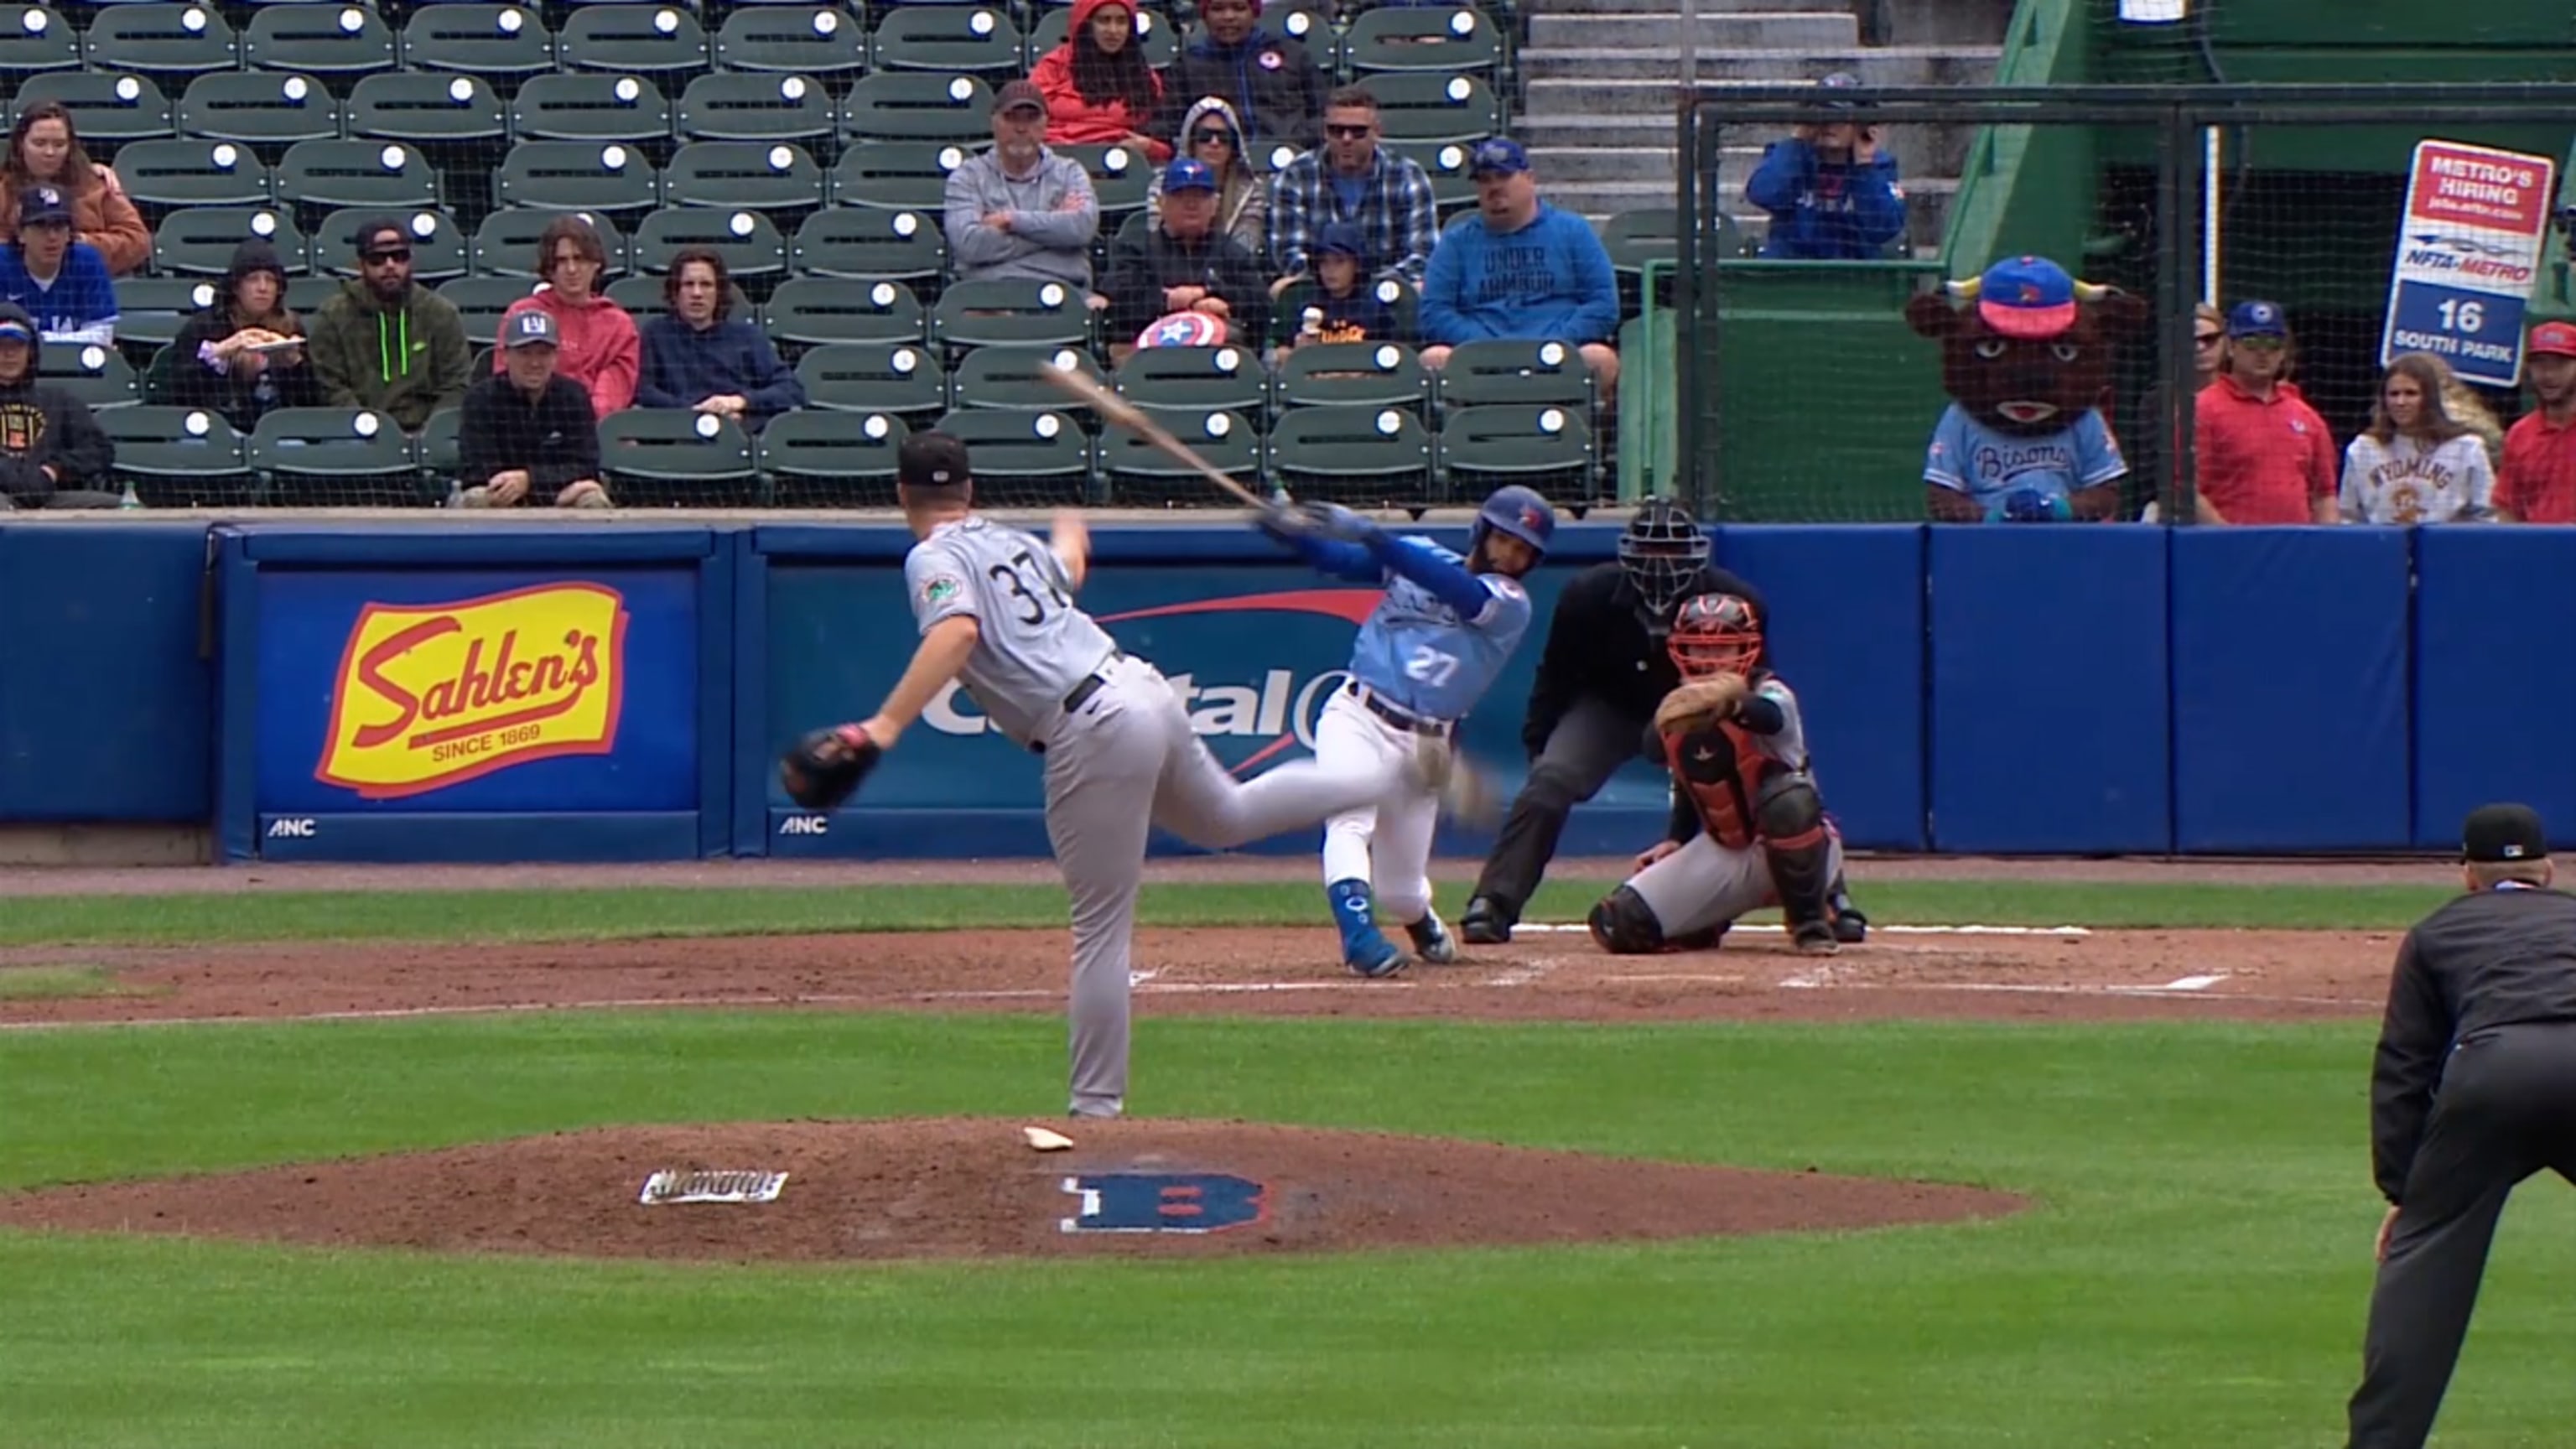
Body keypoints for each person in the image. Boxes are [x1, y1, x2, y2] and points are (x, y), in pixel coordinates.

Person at [790, 431, 1488, 1119]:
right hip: (1138, 687)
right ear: (970, 488)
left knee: (1101, 929)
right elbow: (1066, 569)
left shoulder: (930, 556)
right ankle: (1396, 780)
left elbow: (959, 631)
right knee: (1228, 816)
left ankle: (1094, 1111)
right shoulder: (1008, 539)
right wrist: (1070, 528)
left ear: (899, 494)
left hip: (1088, 726)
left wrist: (882, 727)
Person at [1461, 497, 1867, 947]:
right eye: (1652, 552)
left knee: (1781, 782)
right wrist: (1539, 748)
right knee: (1549, 783)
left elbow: (1758, 695)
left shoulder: (1736, 599)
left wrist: (1714, 713)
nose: (1662, 563)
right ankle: (1494, 903)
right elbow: (1555, 677)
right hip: (1612, 710)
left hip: (1706, 713)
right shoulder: (1589, 596)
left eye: (1673, 553)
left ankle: (1827, 894)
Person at [2340, 802, 2576, 1449]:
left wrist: (2407, 1194)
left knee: (2426, 1271)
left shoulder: (2436, 932)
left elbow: (2403, 1067)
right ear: (2550, 870)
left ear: (2466, 874)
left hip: (2492, 1079)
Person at [1259, 485, 1553, 976]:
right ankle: (1359, 938)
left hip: (1425, 748)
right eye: (1504, 539)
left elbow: (1458, 590)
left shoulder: (1510, 604)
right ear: (1482, 533)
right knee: (1349, 819)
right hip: (1358, 714)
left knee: (1401, 889)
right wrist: (1291, 533)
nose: (1510, 555)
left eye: (1523, 550)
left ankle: (1419, 920)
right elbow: (1337, 561)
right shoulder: (1417, 558)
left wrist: (1375, 535)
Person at [1586, 593, 1850, 958]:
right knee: (1619, 923)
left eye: (1722, 649)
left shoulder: (1772, 693)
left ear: (1746, 650)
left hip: (1801, 846)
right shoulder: (1681, 706)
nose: (1710, 660)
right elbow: (1659, 752)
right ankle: (1707, 921)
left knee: (1789, 799)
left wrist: (1726, 702)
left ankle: (1813, 920)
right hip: (1727, 849)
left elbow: (1768, 717)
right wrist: (1676, 839)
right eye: (1700, 649)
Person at [1415, 138, 1620, 398]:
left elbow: (1603, 304)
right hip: (1481, 359)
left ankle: (1588, 436)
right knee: (1433, 360)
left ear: (1530, 178)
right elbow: (1434, 311)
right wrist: (1484, 347)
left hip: (1557, 355)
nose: (1494, 187)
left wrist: (1555, 341)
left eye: (1503, 175)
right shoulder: (1457, 241)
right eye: (1485, 179)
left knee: (1600, 359)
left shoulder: (1573, 231)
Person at [306, 216, 472, 432]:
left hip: (427, 431)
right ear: (361, 264)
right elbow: (331, 386)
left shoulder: (440, 313)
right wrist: (367, 426)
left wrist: (431, 432)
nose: (390, 265)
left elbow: (456, 384)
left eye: (399, 256)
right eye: (378, 259)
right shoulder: (333, 315)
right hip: (356, 431)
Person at [1266, 86, 1438, 292]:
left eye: (1358, 131)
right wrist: (1335, 282)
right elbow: (1288, 251)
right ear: (1324, 131)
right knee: (1281, 289)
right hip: (1319, 289)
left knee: (1420, 288)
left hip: (1386, 292)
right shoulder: (1296, 175)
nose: (1346, 139)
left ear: (1377, 132)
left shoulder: (1407, 176)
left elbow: (1422, 253)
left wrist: (1367, 286)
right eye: (1337, 131)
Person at [943, 79, 1100, 289]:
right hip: (988, 294)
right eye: (1010, 118)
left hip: (1062, 292)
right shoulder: (968, 176)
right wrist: (1052, 230)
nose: (1021, 128)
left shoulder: (1069, 172)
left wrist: (1011, 221)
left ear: (1046, 123)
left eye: (1031, 118)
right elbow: (970, 244)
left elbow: (1082, 228)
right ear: (994, 122)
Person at [2191, 299, 2337, 525]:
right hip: (2230, 550)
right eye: (2251, 342)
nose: (2262, 352)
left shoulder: (2306, 416)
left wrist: (2327, 547)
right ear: (2230, 347)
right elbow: (2188, 489)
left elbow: (2324, 495)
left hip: (2296, 549)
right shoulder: (2204, 409)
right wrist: (2227, 539)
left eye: (2272, 343)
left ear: (2283, 352)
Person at [1104, 158, 1267, 355]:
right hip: (1148, 354)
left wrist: (1212, 293)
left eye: (1200, 196)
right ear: (1162, 202)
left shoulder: (1231, 251)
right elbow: (1119, 303)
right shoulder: (1135, 248)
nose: (1191, 204)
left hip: (1219, 353)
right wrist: (1171, 301)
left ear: (1215, 204)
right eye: (1181, 196)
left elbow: (1260, 303)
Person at [634, 247, 805, 432]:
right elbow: (644, 390)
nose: (697, 293)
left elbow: (790, 389)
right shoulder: (656, 333)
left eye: (706, 284)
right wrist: (697, 413)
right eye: (689, 284)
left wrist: (739, 402)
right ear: (675, 292)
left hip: (740, 435)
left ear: (719, 291)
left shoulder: (748, 336)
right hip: (677, 436)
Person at [1743, 72, 1908, 262]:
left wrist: (1864, 164)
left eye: (1841, 117)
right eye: (1823, 115)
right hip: (1791, 271)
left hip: (1854, 275)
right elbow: (1764, 195)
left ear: (1861, 125)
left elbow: (1884, 228)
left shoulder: (1879, 166)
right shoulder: (1790, 157)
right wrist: (1798, 140)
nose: (1830, 124)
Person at [455, 309, 608, 510]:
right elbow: (476, 471)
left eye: (543, 353)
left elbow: (586, 464)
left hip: (561, 494)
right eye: (525, 353)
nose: (535, 363)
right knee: (477, 498)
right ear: (506, 355)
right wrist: (521, 486)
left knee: (592, 498)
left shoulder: (574, 396)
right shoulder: (481, 398)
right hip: (500, 493)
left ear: (555, 357)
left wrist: (530, 480)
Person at [491, 214, 638, 422]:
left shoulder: (618, 325)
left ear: (596, 263)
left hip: (593, 430)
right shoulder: (522, 313)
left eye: (579, 259)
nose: (571, 269)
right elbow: (507, 377)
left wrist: (575, 425)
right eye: (561, 261)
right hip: (528, 426)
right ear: (550, 268)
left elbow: (613, 393)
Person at [164, 237, 320, 431]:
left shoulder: (291, 326)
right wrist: (218, 353)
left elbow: (312, 401)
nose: (263, 288)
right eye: (253, 279)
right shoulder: (205, 325)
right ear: (236, 287)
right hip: (215, 428)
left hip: (280, 430)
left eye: (270, 280)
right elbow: (177, 391)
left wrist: (295, 363)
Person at [2338, 352, 2496, 524]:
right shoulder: (2363, 449)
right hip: (2382, 546)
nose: (2401, 402)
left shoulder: (2467, 448)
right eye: (2393, 394)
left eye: (2411, 393)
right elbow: (2349, 517)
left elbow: (2486, 515)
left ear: (2429, 398)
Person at [0, 102, 148, 277]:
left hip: (87, 286)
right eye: (39, 143)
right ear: (20, 144)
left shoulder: (96, 186)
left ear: (70, 147)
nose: (49, 152)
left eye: (59, 144)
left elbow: (138, 241)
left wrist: (83, 244)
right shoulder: (4, 189)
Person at [1161, 0, 1329, 153]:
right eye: (1217, 9)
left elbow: (1321, 111)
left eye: (1239, 8)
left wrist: (1300, 140)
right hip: (1220, 166)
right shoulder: (1188, 64)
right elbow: (1171, 124)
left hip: (1289, 159)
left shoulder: (1290, 53)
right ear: (1205, 15)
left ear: (1254, 12)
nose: (1229, 17)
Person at [0, 302, 115, 510]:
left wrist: (54, 468)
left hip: (51, 496)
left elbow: (100, 450)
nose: (9, 354)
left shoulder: (58, 400)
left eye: (17, 345)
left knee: (113, 507)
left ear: (31, 351)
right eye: (1, 345)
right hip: (2, 496)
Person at [1031, 0, 1170, 164]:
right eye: (1104, 20)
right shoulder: (1052, 67)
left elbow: (1164, 144)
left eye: (1121, 21)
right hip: (1057, 160)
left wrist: (1147, 147)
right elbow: (1030, 123)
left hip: (1120, 164)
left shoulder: (1144, 78)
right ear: (1086, 24)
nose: (1113, 30)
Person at [1147, 97, 1265, 258]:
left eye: (1223, 137)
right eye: (1205, 136)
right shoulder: (1161, 186)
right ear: (1190, 141)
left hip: (1229, 272)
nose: (1214, 143)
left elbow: (1246, 246)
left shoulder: (1252, 191)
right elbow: (1156, 242)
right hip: (1170, 269)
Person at [0, 184, 117, 345]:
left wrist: (36, 340)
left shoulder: (87, 262)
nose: (52, 236)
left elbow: (102, 337)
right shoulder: (3, 264)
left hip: (75, 368)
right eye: (41, 226)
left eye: (59, 226)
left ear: (70, 233)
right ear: (21, 234)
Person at [2495, 319, 2576, 523]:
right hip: (2537, 549)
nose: (2548, 375)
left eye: (2560, 365)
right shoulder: (2520, 434)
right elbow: (2507, 508)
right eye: (2540, 364)